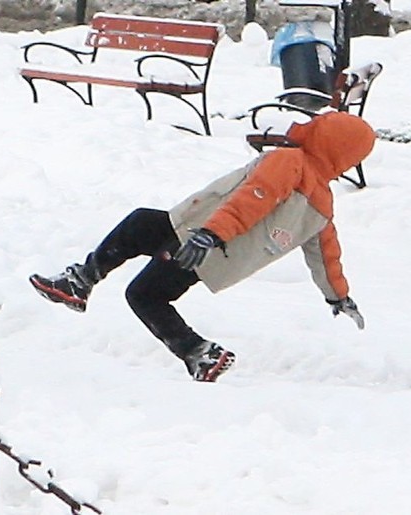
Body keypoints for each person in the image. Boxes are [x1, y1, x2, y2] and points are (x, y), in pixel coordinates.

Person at [29, 111, 376, 382]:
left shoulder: (290, 162)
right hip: (198, 232)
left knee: (145, 294)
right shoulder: (323, 204)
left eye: (321, 124)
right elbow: (326, 254)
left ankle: (199, 352)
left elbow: (254, 198)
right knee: (140, 224)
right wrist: (337, 294)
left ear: (327, 137)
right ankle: (81, 280)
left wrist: (211, 234)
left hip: (204, 241)